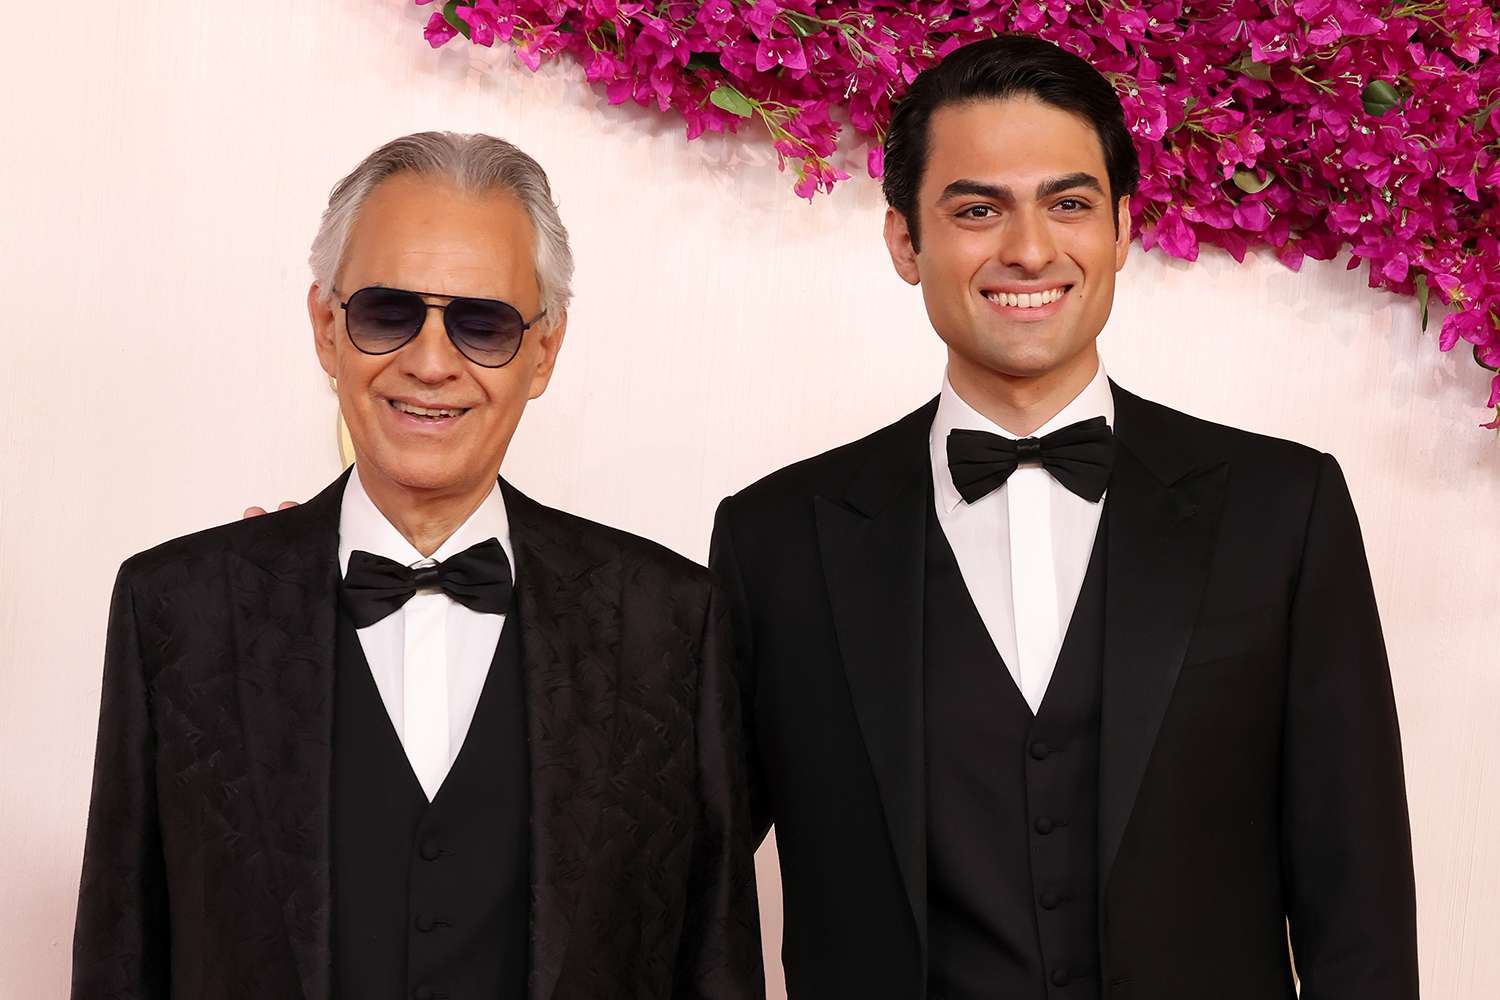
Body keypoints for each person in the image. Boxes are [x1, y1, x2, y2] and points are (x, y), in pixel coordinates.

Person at [709, 35, 1418, 1000]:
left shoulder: (1283, 510)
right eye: (976, 209)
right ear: (904, 242)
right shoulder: (775, 539)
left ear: (1124, 230)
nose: (1031, 250)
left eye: (1070, 203)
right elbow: (689, 889)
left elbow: (1360, 906)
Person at [72, 132, 764, 1000]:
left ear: (544, 351)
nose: (430, 363)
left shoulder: (670, 619)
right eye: (386, 313)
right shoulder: (175, 609)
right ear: (327, 328)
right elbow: (119, 961)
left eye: (483, 324)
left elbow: (715, 964)